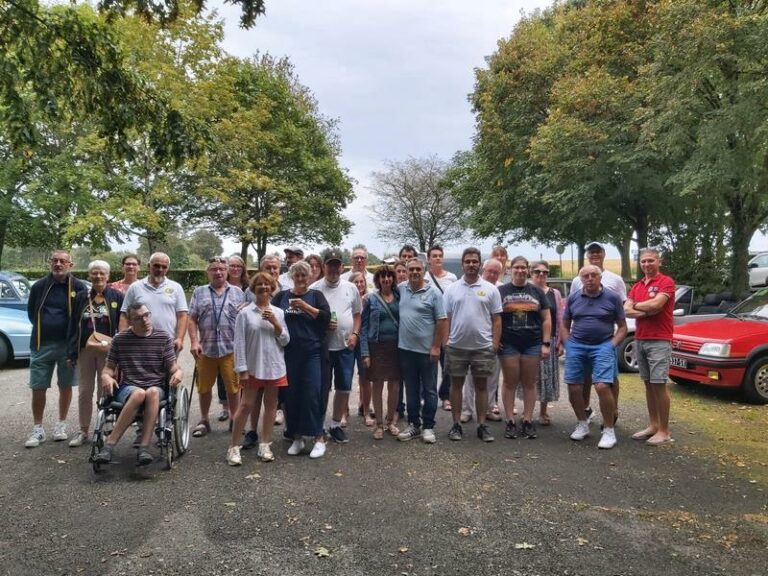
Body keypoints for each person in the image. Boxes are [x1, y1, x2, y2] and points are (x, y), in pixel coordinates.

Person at [94, 304, 183, 466]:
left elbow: (172, 367)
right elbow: (109, 368)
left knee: (151, 392)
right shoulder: (120, 339)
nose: (145, 320)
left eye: (147, 315)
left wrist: (178, 373)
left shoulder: (163, 337)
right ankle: (109, 446)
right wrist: (105, 376)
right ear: (130, 322)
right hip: (129, 386)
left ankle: (144, 448)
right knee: (139, 393)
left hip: (156, 386)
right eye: (139, 318)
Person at [25, 250, 88, 448]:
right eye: (55, 260)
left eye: (63, 261)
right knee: (38, 386)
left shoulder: (78, 287)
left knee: (65, 385)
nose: (58, 264)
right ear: (50, 263)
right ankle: (38, 429)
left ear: (71, 265)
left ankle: (60, 425)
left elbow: (82, 315)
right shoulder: (39, 286)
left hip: (67, 346)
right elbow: (31, 312)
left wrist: (74, 343)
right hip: (41, 344)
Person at [227, 272, 290, 465]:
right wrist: (242, 369)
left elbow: (285, 340)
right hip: (253, 367)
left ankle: (265, 444)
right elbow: (239, 343)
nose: (263, 287)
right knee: (246, 406)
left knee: (271, 406)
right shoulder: (245, 313)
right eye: (259, 284)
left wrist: (275, 323)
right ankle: (233, 447)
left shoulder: (279, 312)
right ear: (253, 289)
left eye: (267, 284)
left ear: (272, 289)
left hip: (274, 366)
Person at [562, 265, 627, 449]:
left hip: (603, 345)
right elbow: (565, 324)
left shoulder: (612, 297)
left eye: (593, 275)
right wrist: (568, 344)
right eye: (585, 276)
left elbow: (622, 326)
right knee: (574, 386)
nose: (589, 278)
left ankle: (609, 430)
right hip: (577, 346)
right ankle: (582, 423)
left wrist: (611, 345)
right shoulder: (574, 297)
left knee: (602, 386)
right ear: (581, 279)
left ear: (600, 277)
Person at [272, 261, 331, 458]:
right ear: (292, 277)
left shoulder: (316, 295)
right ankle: (297, 437)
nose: (300, 279)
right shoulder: (282, 297)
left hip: (312, 352)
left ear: (309, 277)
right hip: (288, 353)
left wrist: (306, 307)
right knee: (291, 395)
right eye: (296, 275)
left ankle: (318, 438)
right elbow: (271, 315)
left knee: (312, 394)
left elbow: (326, 318)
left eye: (303, 275)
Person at [444, 248, 502, 442]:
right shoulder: (452, 289)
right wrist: (446, 342)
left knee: (482, 386)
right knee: (456, 385)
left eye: (474, 261)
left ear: (479, 264)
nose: (471, 264)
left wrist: (494, 343)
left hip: (483, 347)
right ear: (462, 264)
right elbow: (446, 318)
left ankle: (482, 425)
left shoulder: (491, 289)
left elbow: (497, 319)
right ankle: (456, 425)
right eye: (467, 261)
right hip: (457, 346)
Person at [66, 260, 124, 447]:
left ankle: (104, 428)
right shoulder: (81, 297)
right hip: (85, 350)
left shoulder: (117, 296)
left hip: (109, 352)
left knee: (105, 389)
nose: (98, 276)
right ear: (89, 275)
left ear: (108, 276)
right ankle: (83, 430)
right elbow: (73, 324)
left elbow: (123, 326)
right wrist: (71, 352)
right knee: (84, 391)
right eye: (94, 273)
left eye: (102, 273)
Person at [187, 257, 246, 438]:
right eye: (214, 269)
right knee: (204, 388)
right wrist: (194, 342)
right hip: (206, 349)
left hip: (231, 349)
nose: (218, 272)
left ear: (227, 271)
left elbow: (244, 320)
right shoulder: (199, 292)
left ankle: (235, 419)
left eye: (221, 269)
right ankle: (204, 420)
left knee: (233, 388)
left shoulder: (237, 292)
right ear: (208, 272)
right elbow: (191, 318)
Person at [570, 241, 627, 424]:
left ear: (603, 254)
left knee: (609, 378)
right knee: (584, 377)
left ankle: (612, 411)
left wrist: (614, 340)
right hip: (581, 339)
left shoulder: (615, 279)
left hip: (607, 338)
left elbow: (622, 306)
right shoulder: (577, 280)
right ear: (587, 255)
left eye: (598, 251)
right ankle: (586, 409)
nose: (594, 255)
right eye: (591, 252)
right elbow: (573, 305)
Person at [310, 249, 362, 444]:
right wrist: (322, 324)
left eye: (336, 265)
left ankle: (335, 425)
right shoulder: (314, 289)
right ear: (324, 267)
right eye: (329, 265)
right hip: (322, 348)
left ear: (342, 267)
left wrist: (355, 334)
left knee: (344, 387)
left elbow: (357, 314)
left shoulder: (351, 288)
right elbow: (308, 318)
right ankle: (319, 426)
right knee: (321, 388)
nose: (333, 269)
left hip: (345, 347)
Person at [625, 248, 675, 446]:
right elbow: (626, 310)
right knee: (648, 383)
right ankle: (653, 425)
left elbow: (657, 305)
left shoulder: (666, 282)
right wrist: (647, 309)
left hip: (659, 340)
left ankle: (664, 430)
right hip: (640, 339)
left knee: (659, 384)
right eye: (643, 261)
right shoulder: (637, 286)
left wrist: (638, 305)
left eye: (650, 261)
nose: (646, 264)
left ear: (659, 261)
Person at [498, 255, 551, 440]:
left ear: (527, 270)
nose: (520, 270)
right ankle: (510, 420)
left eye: (523, 267)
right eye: (516, 267)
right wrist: (495, 339)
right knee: (509, 382)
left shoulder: (537, 291)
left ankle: (527, 420)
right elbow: (494, 318)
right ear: (510, 269)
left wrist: (546, 343)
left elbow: (546, 319)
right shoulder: (501, 291)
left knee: (530, 382)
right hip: (508, 343)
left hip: (532, 343)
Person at [397, 258, 447, 443]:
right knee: (411, 389)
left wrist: (436, 346)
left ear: (424, 271)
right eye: (411, 269)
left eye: (418, 269)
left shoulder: (434, 293)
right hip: (405, 350)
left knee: (429, 389)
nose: (414, 272)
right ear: (407, 271)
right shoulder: (401, 289)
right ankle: (414, 424)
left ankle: (428, 426)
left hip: (427, 351)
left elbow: (442, 320)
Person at [242, 253, 284, 450]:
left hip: (277, 348)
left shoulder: (285, 289)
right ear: (261, 269)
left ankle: (268, 438)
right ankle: (252, 431)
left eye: (275, 267)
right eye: (268, 267)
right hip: (256, 349)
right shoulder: (251, 290)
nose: (272, 270)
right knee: (254, 395)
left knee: (273, 397)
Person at [460, 258, 504, 423]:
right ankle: (466, 409)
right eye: (489, 271)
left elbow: (499, 318)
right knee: (469, 379)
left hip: (491, 341)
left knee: (491, 379)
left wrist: (496, 340)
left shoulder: (500, 289)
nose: (492, 275)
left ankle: (489, 408)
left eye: (496, 272)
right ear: (483, 270)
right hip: (471, 341)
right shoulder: (471, 286)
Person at [360, 266, 401, 439]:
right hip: (376, 346)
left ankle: (390, 421)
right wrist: (365, 353)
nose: (386, 279)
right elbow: (363, 327)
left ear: (393, 279)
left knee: (394, 385)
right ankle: (379, 424)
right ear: (378, 280)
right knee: (377, 384)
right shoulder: (371, 299)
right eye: (383, 276)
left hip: (397, 346)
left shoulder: (400, 296)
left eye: (389, 276)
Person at [120, 252, 188, 354]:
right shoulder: (135, 287)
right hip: (139, 343)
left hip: (168, 344)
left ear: (168, 269)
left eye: (164, 267)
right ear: (149, 266)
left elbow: (182, 316)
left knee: (169, 365)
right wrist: (122, 339)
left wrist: (180, 338)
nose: (160, 269)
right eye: (156, 265)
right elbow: (124, 315)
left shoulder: (176, 288)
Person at [525, 260, 563, 425]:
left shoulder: (555, 293)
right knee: (528, 377)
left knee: (546, 377)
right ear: (531, 273)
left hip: (550, 340)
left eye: (545, 272)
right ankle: (527, 411)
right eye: (537, 272)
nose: (541, 275)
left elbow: (560, 318)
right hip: (528, 340)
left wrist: (560, 341)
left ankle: (543, 411)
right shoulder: (525, 291)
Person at [425, 244, 458, 412]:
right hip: (429, 326)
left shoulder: (452, 278)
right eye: (434, 256)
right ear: (428, 259)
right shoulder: (424, 278)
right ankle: (428, 396)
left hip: (447, 325)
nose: (437, 258)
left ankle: (445, 396)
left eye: (440, 255)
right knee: (429, 365)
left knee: (448, 364)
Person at [348, 271, 373, 426]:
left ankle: (366, 410)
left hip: (365, 342)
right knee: (346, 376)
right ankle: (344, 411)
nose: (359, 284)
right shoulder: (347, 298)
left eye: (361, 281)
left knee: (365, 377)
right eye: (355, 282)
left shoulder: (370, 299)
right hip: (349, 339)